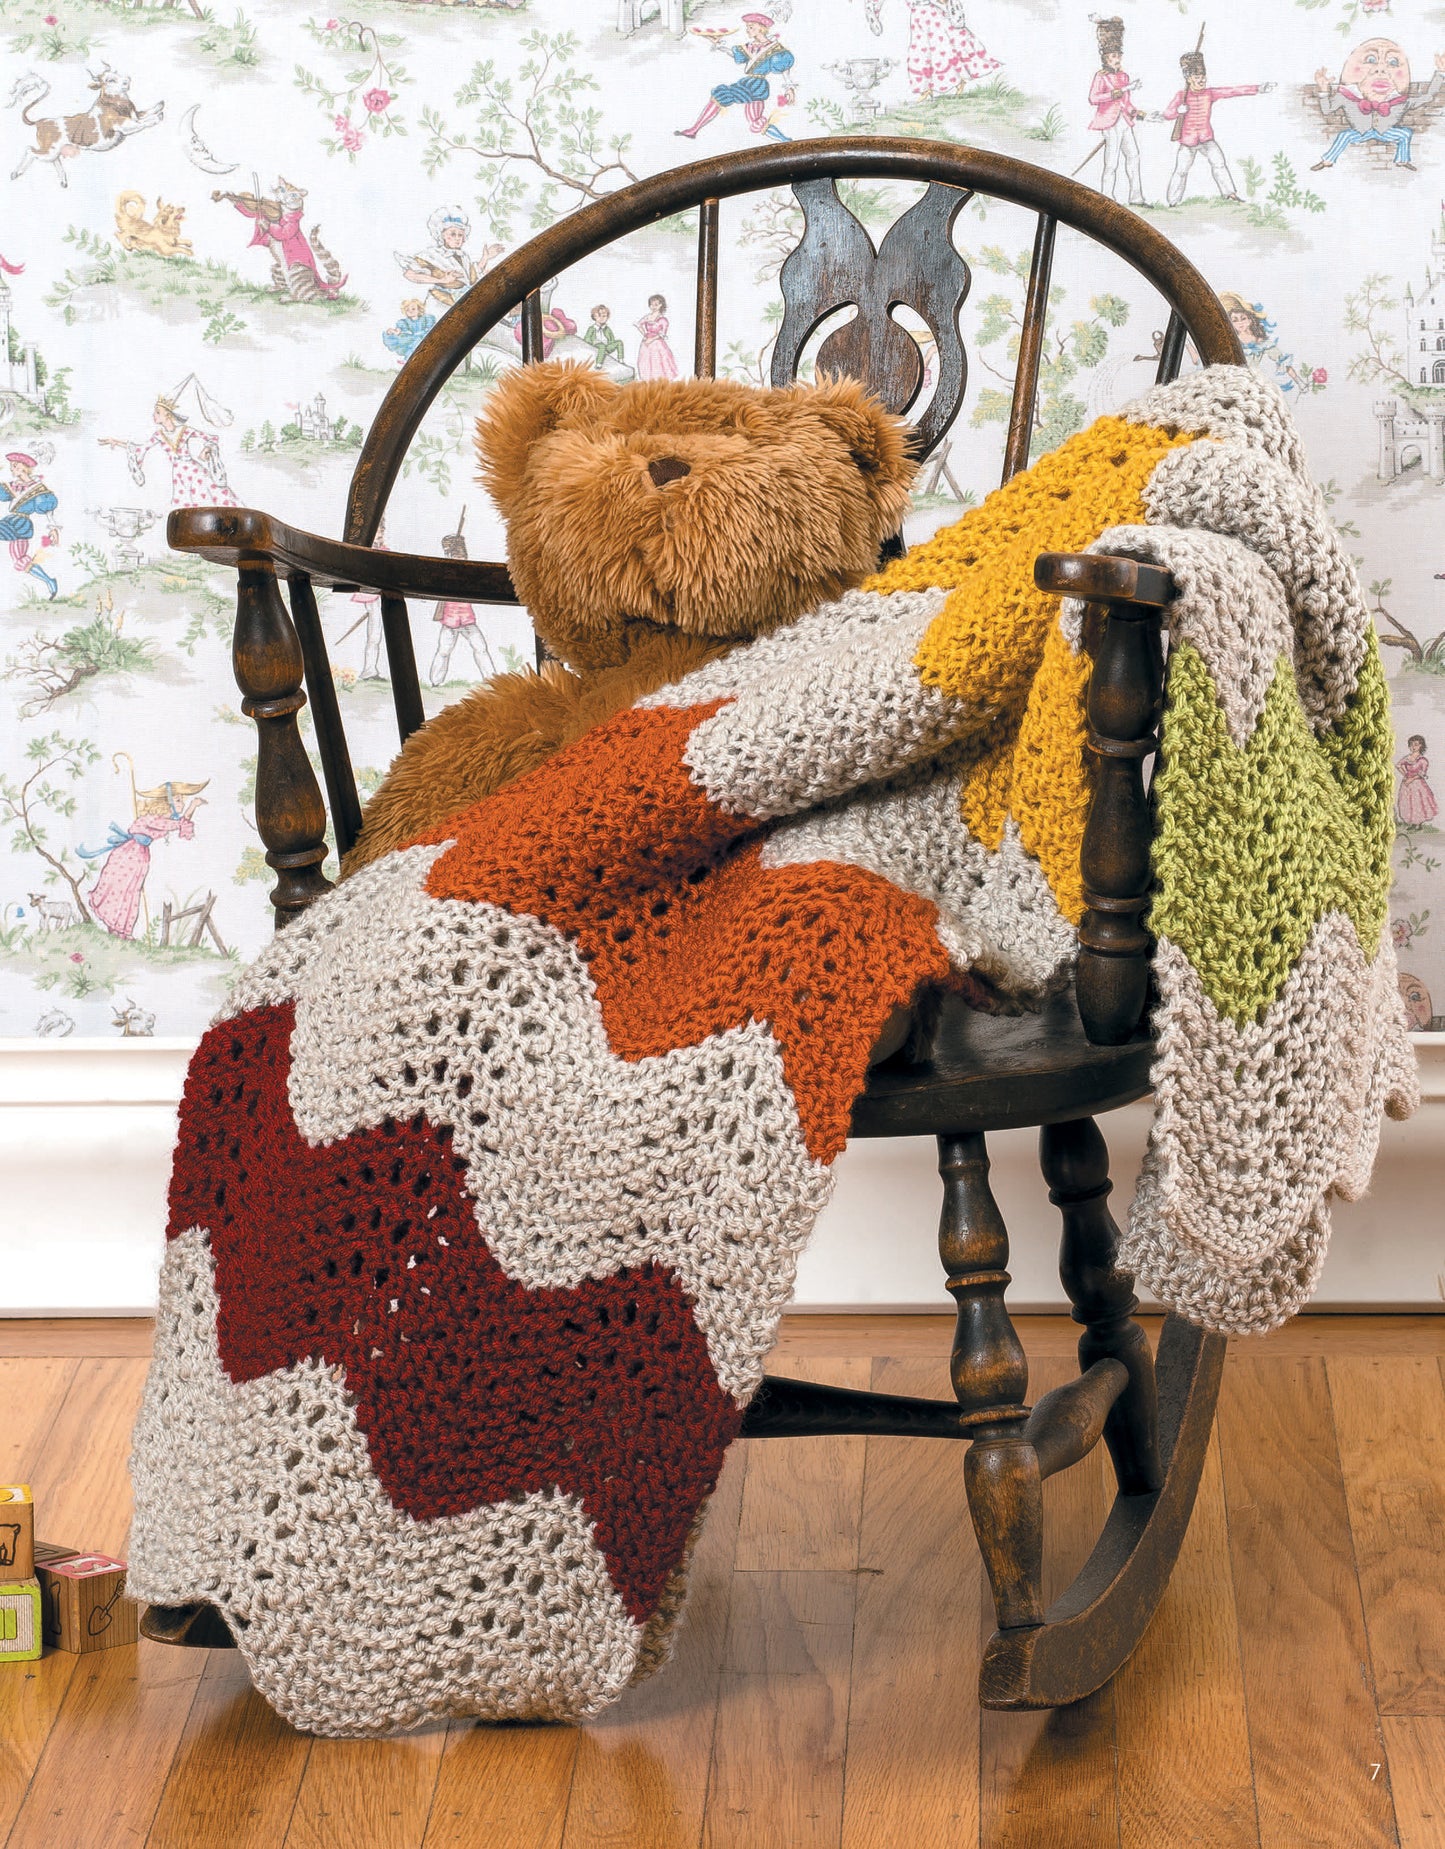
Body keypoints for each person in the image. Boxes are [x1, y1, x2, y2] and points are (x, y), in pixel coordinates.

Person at [1155, 30, 1273, 206]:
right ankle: (1173, 202)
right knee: (1181, 171)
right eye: (1197, 77)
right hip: (1187, 141)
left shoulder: (1209, 93)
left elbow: (1233, 91)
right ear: (1189, 79)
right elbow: (1167, 114)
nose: (1202, 80)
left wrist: (1258, 88)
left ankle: (1230, 194)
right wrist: (1179, 110)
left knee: (1219, 164)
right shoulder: (1181, 95)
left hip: (1206, 138)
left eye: (1203, 76)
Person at [79, 780, 207, 941]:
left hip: (140, 856)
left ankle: (122, 930)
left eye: (182, 800)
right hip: (129, 854)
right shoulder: (152, 819)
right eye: (178, 800)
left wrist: (191, 808)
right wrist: (193, 806)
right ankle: (114, 926)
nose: (182, 804)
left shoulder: (164, 820)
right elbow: (176, 825)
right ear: (167, 802)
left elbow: (180, 824)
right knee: (120, 890)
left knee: (131, 893)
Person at [100, 377, 237, 508]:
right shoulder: (159, 435)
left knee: (206, 500)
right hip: (179, 475)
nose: (154, 415)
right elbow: (139, 448)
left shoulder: (185, 430)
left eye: (157, 412)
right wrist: (116, 442)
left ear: (168, 414)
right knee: (184, 507)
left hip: (195, 473)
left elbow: (212, 438)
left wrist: (206, 449)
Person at [1313, 40, 1445, 172]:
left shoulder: (1400, 102)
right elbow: (1327, 110)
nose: (1380, 70)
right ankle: (1328, 161)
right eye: (1370, 60)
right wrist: (1323, 90)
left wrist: (1440, 74)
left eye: (1393, 62)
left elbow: (1428, 97)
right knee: (1345, 135)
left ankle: (1402, 160)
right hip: (1361, 131)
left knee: (1405, 133)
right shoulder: (1347, 97)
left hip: (1384, 132)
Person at [676, 13, 796, 138]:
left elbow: (784, 68)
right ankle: (693, 130)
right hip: (749, 83)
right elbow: (735, 55)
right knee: (752, 119)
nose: (747, 30)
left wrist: (789, 88)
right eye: (747, 27)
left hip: (757, 84)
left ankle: (694, 130)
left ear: (761, 28)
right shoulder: (750, 46)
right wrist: (719, 44)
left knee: (725, 99)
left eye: (751, 27)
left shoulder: (774, 48)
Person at [395, 206, 503, 320]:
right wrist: (442, 280)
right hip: (441, 305)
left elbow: (471, 279)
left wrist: (485, 258)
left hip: (461, 303)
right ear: (442, 235)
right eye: (452, 234)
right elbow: (410, 274)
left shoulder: (463, 256)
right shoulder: (432, 254)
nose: (457, 238)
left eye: (460, 235)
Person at [429, 509, 495, 687]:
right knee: (444, 651)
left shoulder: (468, 573)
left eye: (462, 555)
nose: (461, 558)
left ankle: (492, 681)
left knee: (480, 648)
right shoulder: (445, 573)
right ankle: (435, 681)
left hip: (467, 619)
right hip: (450, 620)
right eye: (457, 555)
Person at [1087, 16, 1145, 205]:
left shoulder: (1124, 76)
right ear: (1105, 58)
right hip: (1109, 122)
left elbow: (1126, 103)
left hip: (1124, 122)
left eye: (1118, 56)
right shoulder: (1101, 76)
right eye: (1113, 57)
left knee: (1133, 156)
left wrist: (1136, 112)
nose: (1117, 59)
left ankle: (1136, 197)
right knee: (1111, 162)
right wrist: (1113, 94)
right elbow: (1093, 98)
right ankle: (1106, 198)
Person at [905, 0, 1000, 99]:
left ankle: (957, 82)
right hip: (917, 17)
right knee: (920, 51)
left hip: (932, 16)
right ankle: (925, 88)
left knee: (940, 49)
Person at [0, 450, 59, 598]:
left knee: (20, 559)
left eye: (14, 466)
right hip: (11, 521)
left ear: (23, 468)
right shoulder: (14, 485)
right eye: (11, 466)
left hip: (21, 524)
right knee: (19, 560)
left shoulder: (37, 488)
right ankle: (49, 581)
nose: (12, 469)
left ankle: (49, 581)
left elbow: (48, 510)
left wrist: (53, 529)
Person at [1397, 734, 1439, 826]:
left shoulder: (1422, 760)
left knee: (1417, 803)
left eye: (1416, 744)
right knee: (1407, 802)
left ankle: (1418, 824)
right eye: (1411, 745)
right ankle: (1412, 823)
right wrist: (1406, 775)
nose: (1413, 747)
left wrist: (1411, 779)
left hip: (1417, 784)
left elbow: (1422, 774)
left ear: (1421, 746)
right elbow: (1398, 765)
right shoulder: (1407, 758)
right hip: (1407, 783)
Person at [635, 295, 679, 380]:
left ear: (661, 305)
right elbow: (638, 324)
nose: (653, 307)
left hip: (657, 343)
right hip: (646, 342)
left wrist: (651, 339)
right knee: (646, 361)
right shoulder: (648, 317)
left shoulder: (663, 320)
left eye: (656, 304)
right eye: (651, 304)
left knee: (658, 362)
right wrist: (645, 335)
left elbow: (662, 334)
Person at [383, 298, 436, 364]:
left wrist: (424, 332)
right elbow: (398, 331)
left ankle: (408, 359)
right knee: (414, 342)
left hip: (424, 337)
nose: (410, 311)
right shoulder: (405, 322)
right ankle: (409, 359)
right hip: (411, 338)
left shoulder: (425, 318)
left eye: (413, 309)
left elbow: (430, 328)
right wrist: (392, 331)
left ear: (419, 309)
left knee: (418, 341)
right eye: (407, 310)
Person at [583, 304, 626, 370]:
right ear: (594, 317)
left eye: (604, 316)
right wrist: (593, 343)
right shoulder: (591, 328)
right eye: (599, 316)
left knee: (619, 342)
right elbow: (587, 339)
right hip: (596, 346)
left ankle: (621, 360)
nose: (602, 318)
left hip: (606, 347)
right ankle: (599, 364)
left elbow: (612, 339)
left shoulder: (607, 329)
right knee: (601, 346)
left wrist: (610, 345)